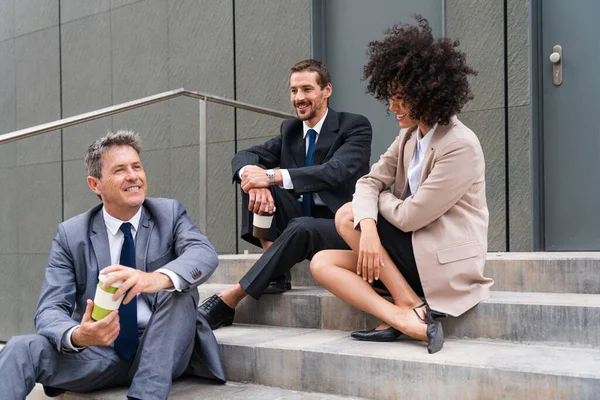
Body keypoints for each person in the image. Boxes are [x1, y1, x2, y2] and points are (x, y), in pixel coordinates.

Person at [310, 17, 494, 354]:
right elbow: (368, 180)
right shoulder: (410, 135)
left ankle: (408, 302)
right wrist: (367, 228)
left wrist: (374, 206)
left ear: (427, 95)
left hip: (443, 260)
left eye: (399, 98)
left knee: (347, 214)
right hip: (411, 251)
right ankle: (404, 312)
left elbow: (411, 216)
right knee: (321, 262)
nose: (391, 107)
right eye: (390, 96)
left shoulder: (460, 145)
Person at [0, 131, 225, 400]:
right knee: (19, 348)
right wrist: (79, 335)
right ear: (95, 184)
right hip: (98, 350)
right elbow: (49, 308)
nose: (133, 176)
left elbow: (204, 253)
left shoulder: (169, 214)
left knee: (179, 289)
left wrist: (153, 279)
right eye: (120, 170)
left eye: (137, 167)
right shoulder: (71, 235)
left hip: (162, 349)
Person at [199, 59, 373, 329]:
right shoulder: (290, 130)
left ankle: (228, 300)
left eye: (307, 89)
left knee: (277, 193)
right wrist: (257, 179)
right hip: (297, 221)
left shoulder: (354, 127)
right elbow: (244, 156)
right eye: (294, 91)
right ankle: (277, 272)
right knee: (252, 177)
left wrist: (271, 176)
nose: (299, 98)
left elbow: (333, 171)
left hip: (339, 227)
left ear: (326, 90)